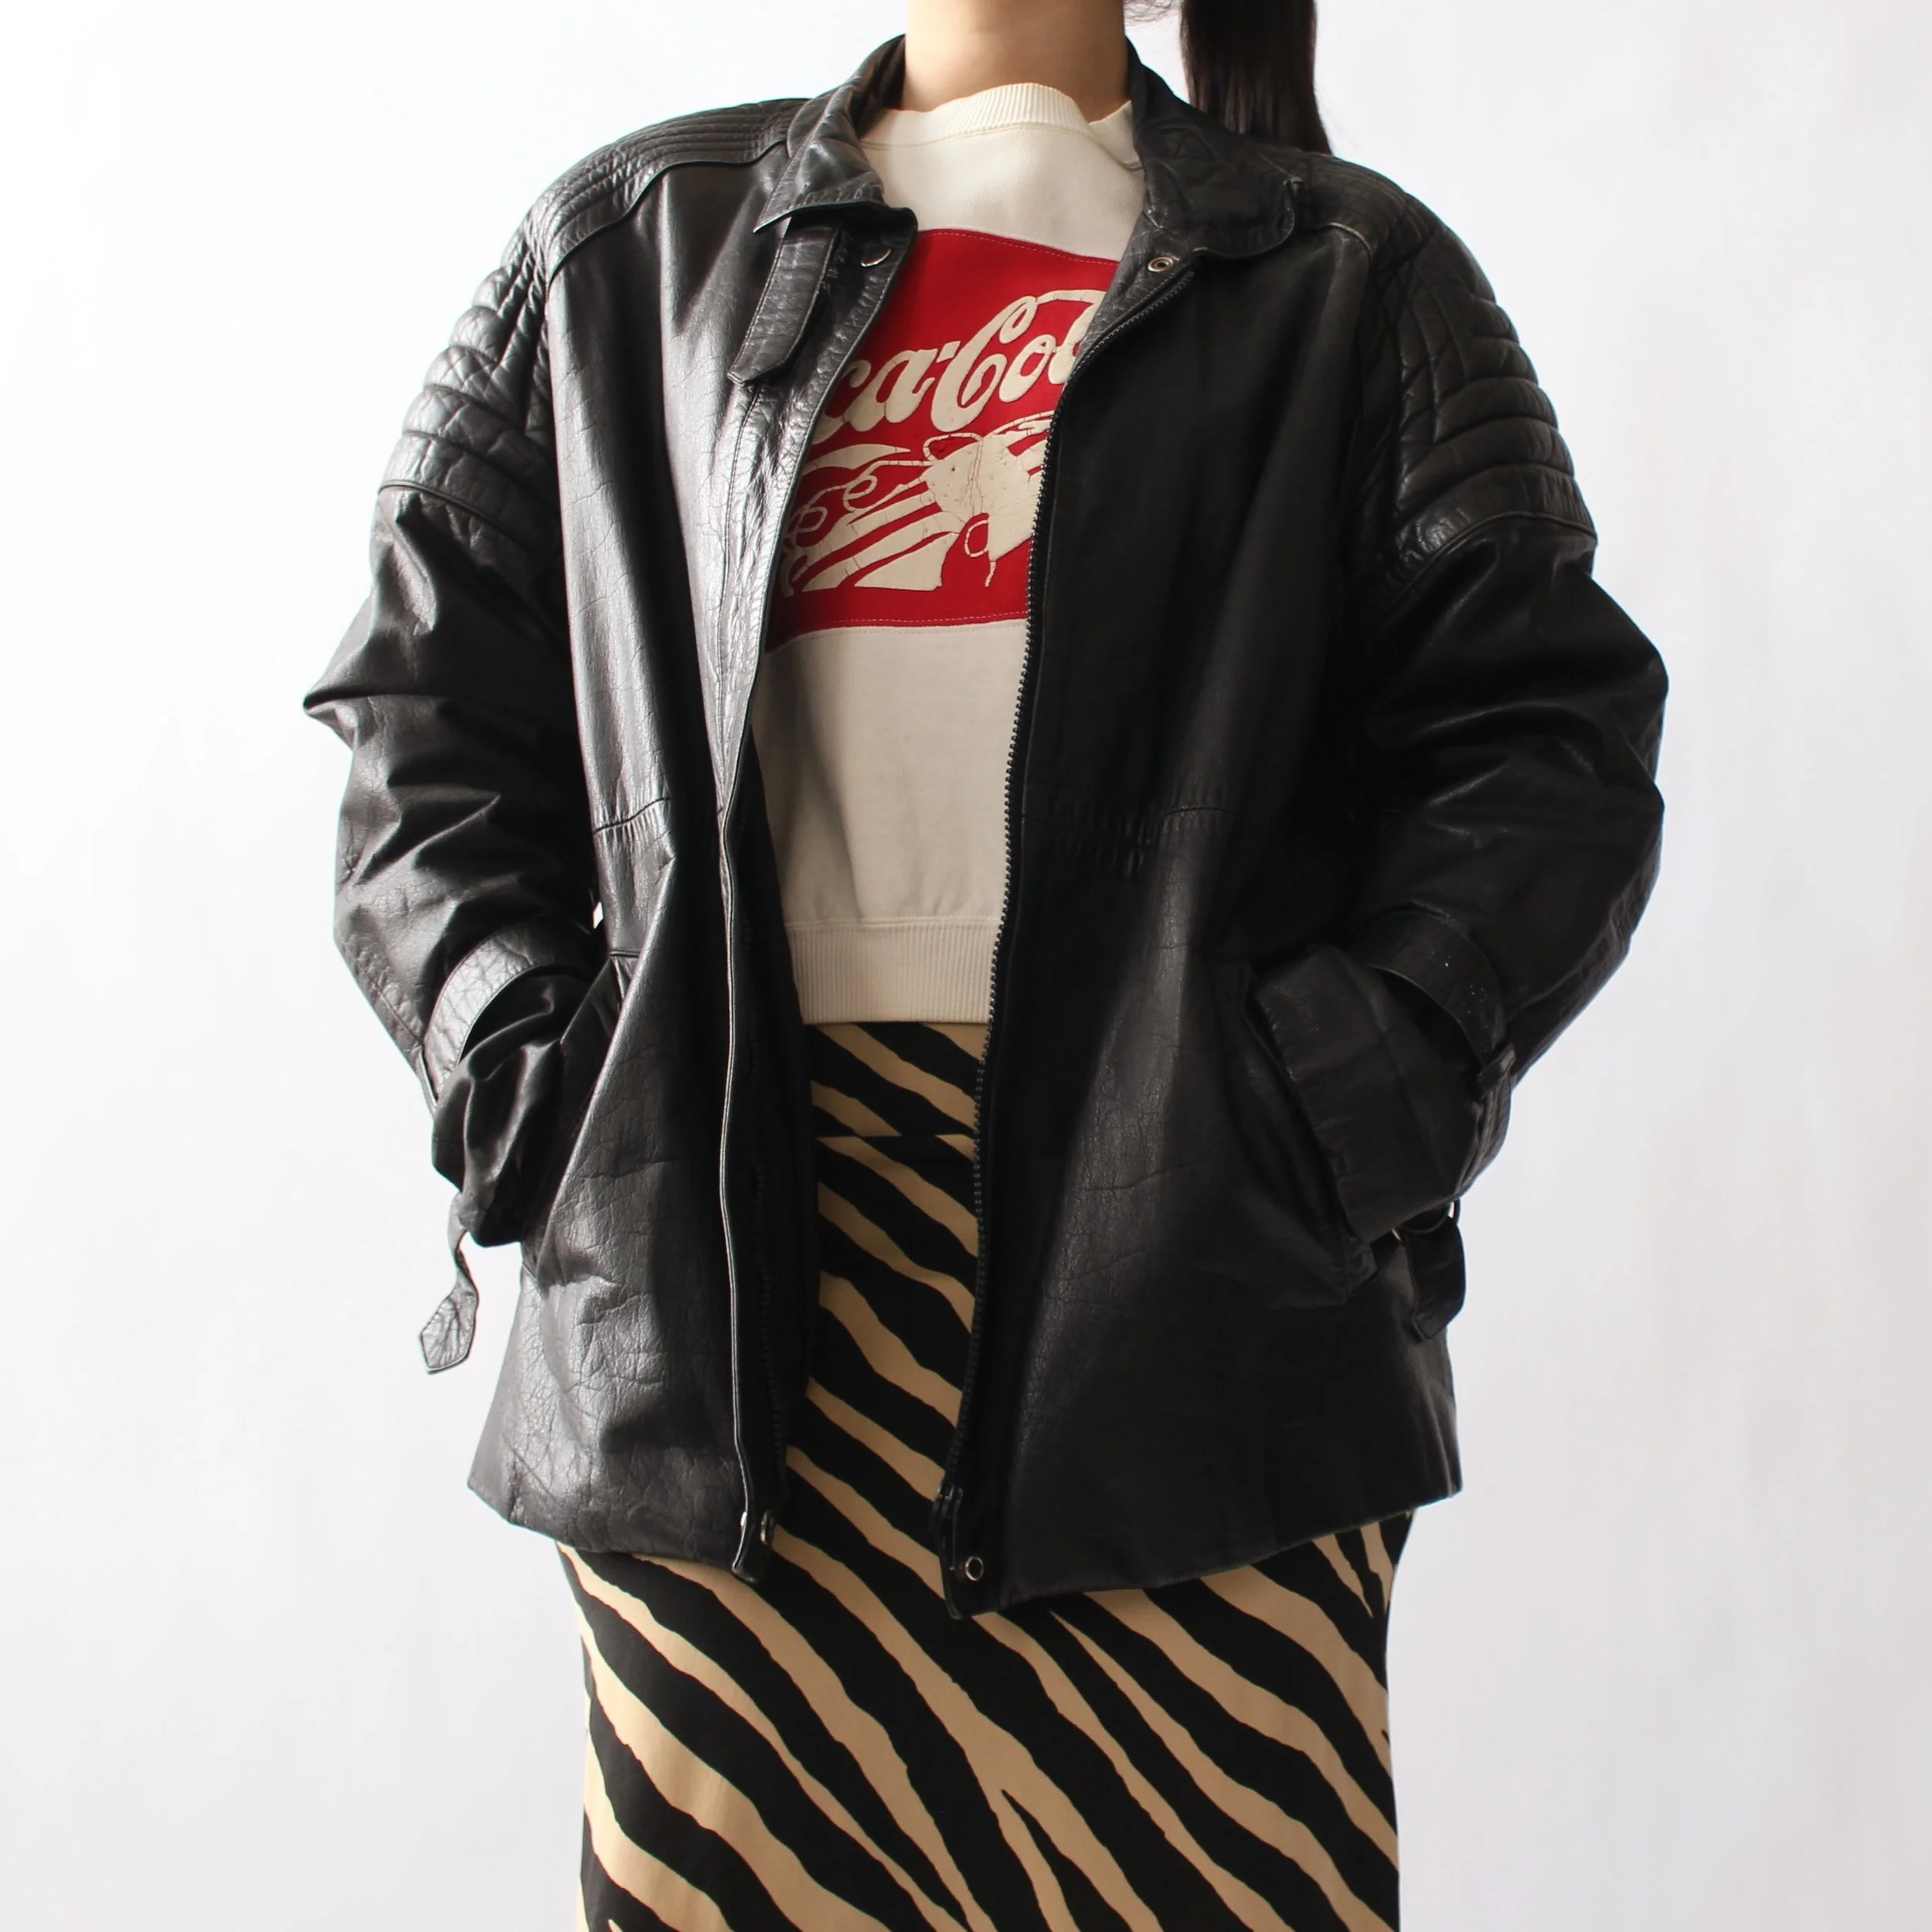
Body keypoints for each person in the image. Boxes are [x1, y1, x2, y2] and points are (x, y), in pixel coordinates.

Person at [306, 0, 1666, 1922]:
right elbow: (421, 723)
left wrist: (1329, 1101)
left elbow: (1543, 744)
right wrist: (549, 1091)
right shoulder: (621, 251)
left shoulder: (1350, 272)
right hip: (732, 1296)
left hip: (1196, 1283)